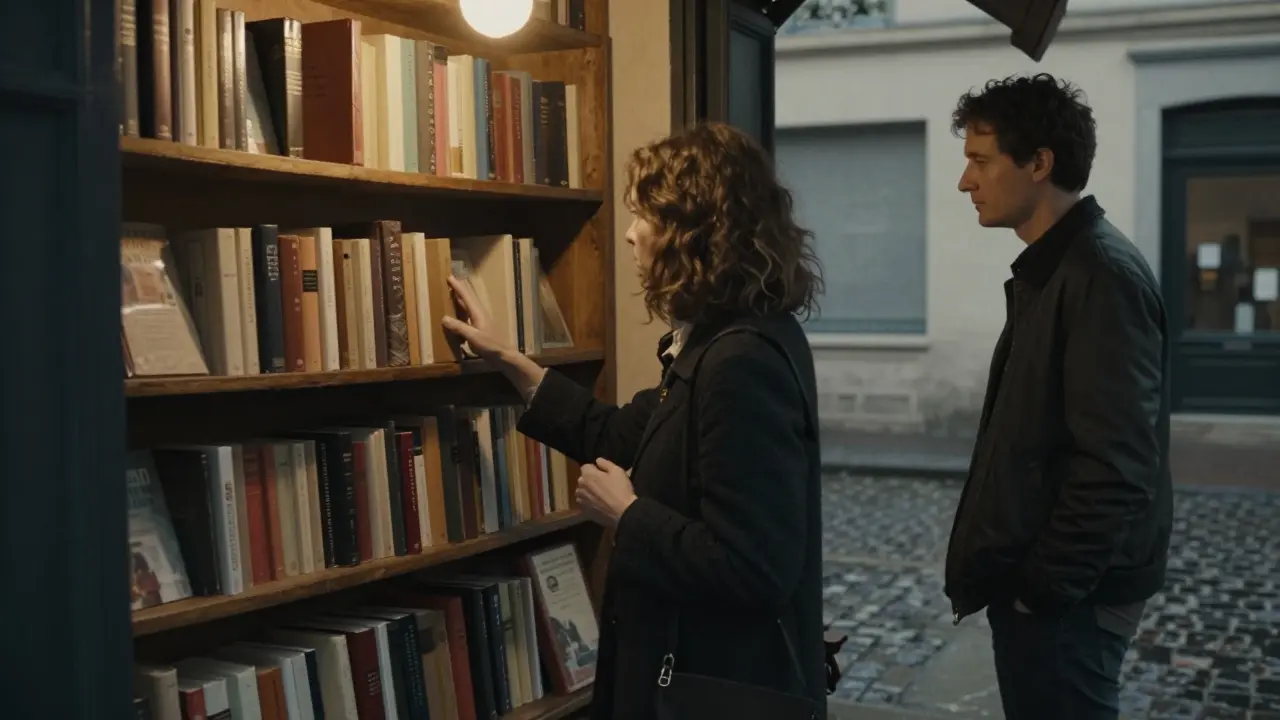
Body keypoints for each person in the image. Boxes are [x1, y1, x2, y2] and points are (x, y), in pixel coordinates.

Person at [443, 121, 827, 720]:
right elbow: (618, 434)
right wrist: (510, 359)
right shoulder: (718, 341)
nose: (627, 234)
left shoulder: (741, 359)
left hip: (707, 687)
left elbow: (757, 567)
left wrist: (627, 514)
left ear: (690, 230)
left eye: (643, 214)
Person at [944, 73, 1173, 719]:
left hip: (1071, 600)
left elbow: (1117, 466)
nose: (966, 182)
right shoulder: (1057, 269)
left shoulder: (1100, 276)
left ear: (1039, 163)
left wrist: (1042, 591)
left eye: (980, 161)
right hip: (1052, 592)